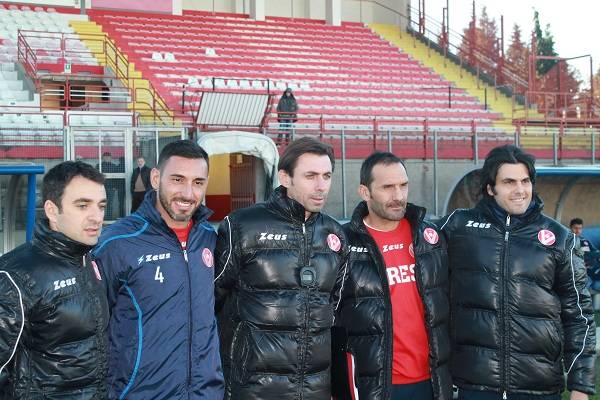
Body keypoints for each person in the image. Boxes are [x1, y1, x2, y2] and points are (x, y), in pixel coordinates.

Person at [439, 145, 596, 400]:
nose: (520, 190)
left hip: (538, 387)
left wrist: (580, 385)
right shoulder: (458, 226)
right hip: (476, 387)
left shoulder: (560, 239)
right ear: (491, 188)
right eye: (509, 182)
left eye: (525, 181)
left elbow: (579, 316)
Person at [214, 137, 349, 399]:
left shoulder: (335, 235)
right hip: (254, 388)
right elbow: (212, 301)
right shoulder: (242, 226)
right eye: (310, 176)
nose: (321, 186)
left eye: (327, 176)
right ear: (285, 178)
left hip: (315, 388)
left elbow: (334, 307)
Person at [92, 140, 224, 400]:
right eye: (177, 179)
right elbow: (90, 328)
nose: (188, 193)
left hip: (205, 394)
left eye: (198, 182)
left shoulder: (211, 239)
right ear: (155, 178)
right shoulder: (117, 242)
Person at [332, 152, 452, 400]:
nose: (398, 196)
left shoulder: (430, 238)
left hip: (432, 381)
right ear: (365, 192)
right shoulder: (342, 244)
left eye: (403, 185)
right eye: (388, 187)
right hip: (372, 384)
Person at [0, 161, 108, 399]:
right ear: (51, 210)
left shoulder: (87, 258)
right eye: (82, 206)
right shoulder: (14, 276)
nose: (97, 217)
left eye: (101, 206)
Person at [96, 151, 124, 219]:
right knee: (99, 203)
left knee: (110, 203)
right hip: (101, 187)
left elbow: (117, 178)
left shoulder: (114, 166)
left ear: (110, 158)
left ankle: (109, 218)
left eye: (108, 157)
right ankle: (99, 217)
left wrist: (115, 186)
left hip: (111, 188)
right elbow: (96, 176)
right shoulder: (99, 165)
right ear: (102, 158)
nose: (107, 158)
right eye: (105, 157)